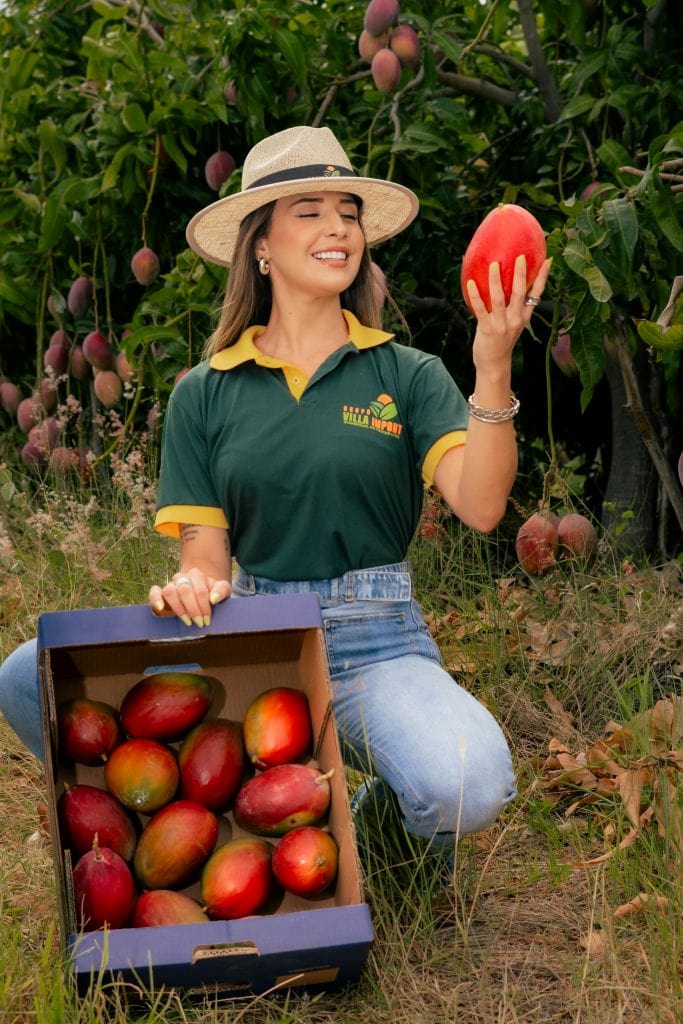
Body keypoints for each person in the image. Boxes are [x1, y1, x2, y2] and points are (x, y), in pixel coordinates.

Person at [0, 125, 550, 851]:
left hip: (375, 641)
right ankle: (157, 820)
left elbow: (481, 508)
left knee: (465, 784)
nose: (337, 228)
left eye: (348, 213)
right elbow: (205, 558)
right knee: (24, 674)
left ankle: (374, 830)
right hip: (251, 633)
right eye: (309, 210)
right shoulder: (206, 392)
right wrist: (191, 588)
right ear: (260, 244)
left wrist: (493, 363)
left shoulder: (403, 374)